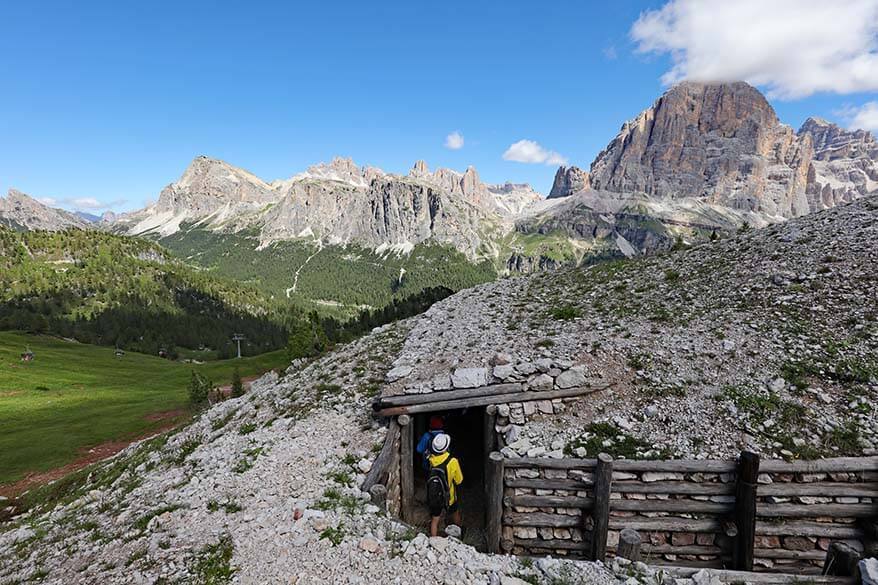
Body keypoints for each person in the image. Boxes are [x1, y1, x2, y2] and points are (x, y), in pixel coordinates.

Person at [425, 432, 463, 537]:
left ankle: (432, 541)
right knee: (455, 513)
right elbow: (459, 480)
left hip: (435, 496)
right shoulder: (452, 461)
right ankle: (459, 535)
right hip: (449, 496)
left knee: (435, 520)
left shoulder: (430, 460)